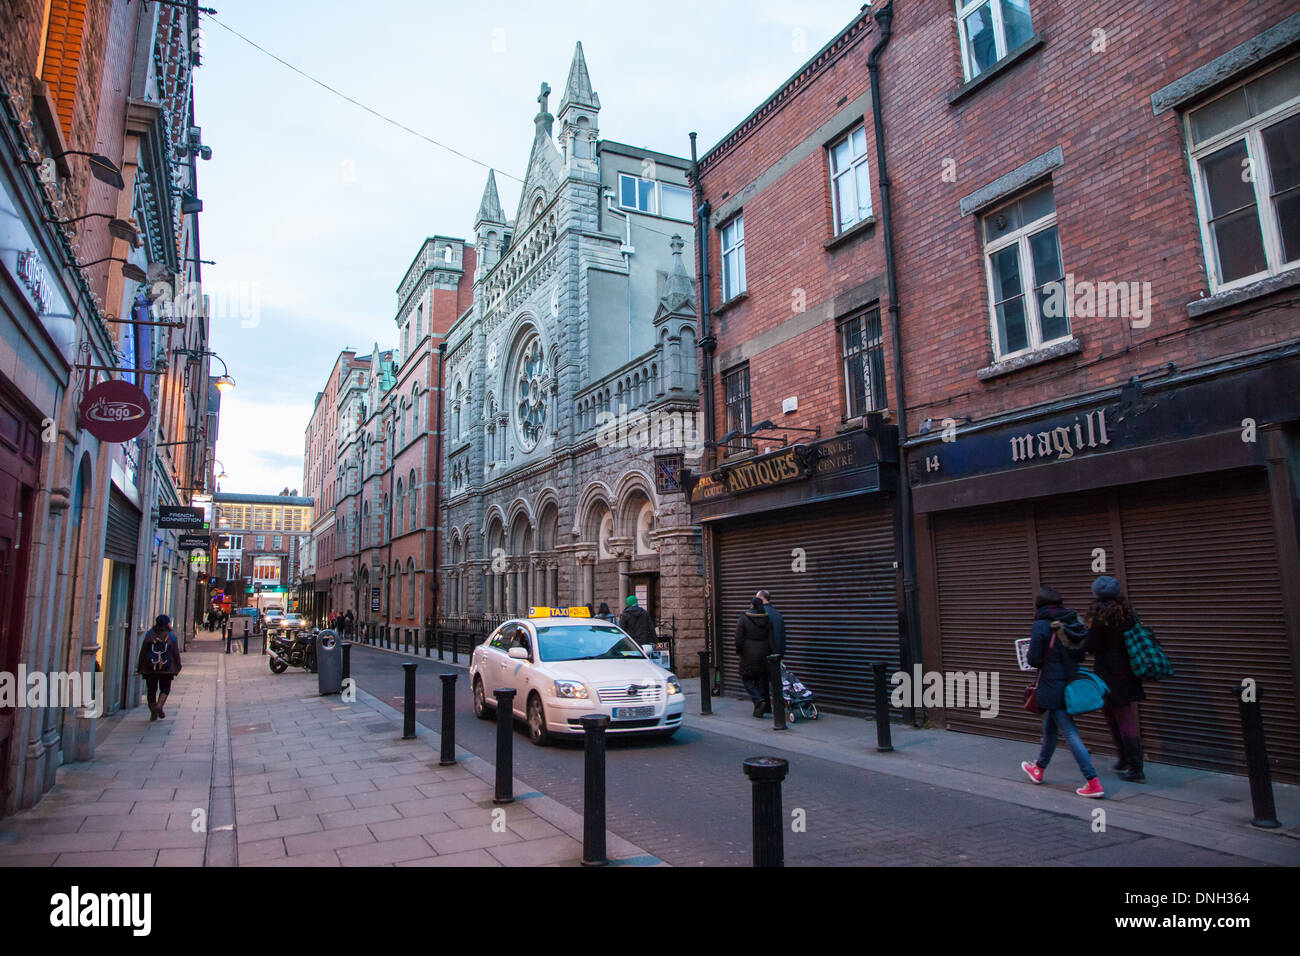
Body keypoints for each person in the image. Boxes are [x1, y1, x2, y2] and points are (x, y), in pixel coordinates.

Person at [1021, 586, 1104, 798]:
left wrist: (1035, 660)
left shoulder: (1041, 624)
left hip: (1052, 684)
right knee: (1050, 729)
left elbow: (1035, 658)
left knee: (1069, 733)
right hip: (1070, 680)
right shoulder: (1072, 619)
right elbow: (1080, 654)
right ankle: (1038, 769)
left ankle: (1092, 781)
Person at [1085, 575, 1146, 783]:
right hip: (1128, 670)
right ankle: (1126, 760)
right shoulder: (1128, 612)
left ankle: (1135, 767)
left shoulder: (1100, 615)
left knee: (1118, 715)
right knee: (1119, 714)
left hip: (1108, 672)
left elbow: (1091, 646)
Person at [734, 596, 776, 718]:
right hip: (764, 654)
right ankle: (759, 709)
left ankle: (758, 701)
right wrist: (773, 653)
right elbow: (771, 638)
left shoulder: (744, 618)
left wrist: (739, 650)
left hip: (748, 653)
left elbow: (738, 638)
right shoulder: (767, 619)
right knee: (760, 680)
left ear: (752, 605)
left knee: (746, 678)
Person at [137, 615, 182, 721]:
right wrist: (178, 665)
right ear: (167, 623)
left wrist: (140, 666)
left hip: (151, 667)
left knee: (151, 690)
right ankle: (159, 705)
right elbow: (176, 652)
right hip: (166, 667)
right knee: (165, 688)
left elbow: (143, 651)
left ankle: (153, 710)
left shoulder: (149, 634)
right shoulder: (171, 635)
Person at [757, 590, 786, 656]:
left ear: (760, 598)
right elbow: (782, 636)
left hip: (762, 655)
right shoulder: (778, 614)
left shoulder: (757, 614)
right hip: (776, 655)